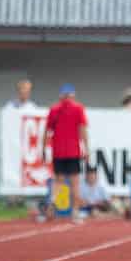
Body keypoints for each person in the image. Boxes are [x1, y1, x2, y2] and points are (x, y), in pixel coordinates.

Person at [43, 84, 90, 223]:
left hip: (58, 151)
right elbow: (82, 129)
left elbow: (47, 131)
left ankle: (51, 204)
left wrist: (43, 149)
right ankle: (75, 213)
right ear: (72, 95)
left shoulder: (54, 109)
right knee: (75, 183)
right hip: (73, 151)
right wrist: (86, 148)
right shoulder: (78, 108)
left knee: (58, 181)